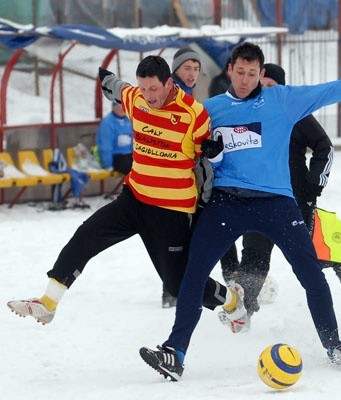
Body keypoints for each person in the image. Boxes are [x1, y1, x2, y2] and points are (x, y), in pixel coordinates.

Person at [139, 43, 341, 381]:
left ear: (261, 73)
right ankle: (175, 353)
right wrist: (206, 154)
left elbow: (325, 92)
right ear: (230, 69)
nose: (245, 80)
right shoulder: (209, 109)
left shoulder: (281, 101)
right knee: (193, 274)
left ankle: (335, 346)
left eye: (251, 73)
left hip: (276, 203)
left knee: (311, 275)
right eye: (239, 72)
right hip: (226, 203)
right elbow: (181, 141)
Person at [7, 55, 229, 329]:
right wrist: (104, 77)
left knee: (177, 283)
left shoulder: (193, 113)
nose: (148, 96)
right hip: (133, 199)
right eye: (143, 88)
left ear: (169, 83)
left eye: (154, 89)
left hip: (171, 211)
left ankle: (231, 302)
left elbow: (206, 164)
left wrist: (206, 203)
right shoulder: (136, 98)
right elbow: (117, 87)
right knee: (86, 235)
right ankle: (48, 303)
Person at [220, 63, 341, 321]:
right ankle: (245, 307)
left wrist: (313, 185)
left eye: (273, 87)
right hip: (257, 197)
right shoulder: (249, 112)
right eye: (264, 86)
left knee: (306, 255)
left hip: (293, 200)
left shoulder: (295, 113)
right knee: (254, 254)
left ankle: (336, 261)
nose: (266, 91)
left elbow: (325, 147)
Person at [161, 47, 203, 308]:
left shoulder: (186, 95)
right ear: (175, 69)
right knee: (173, 234)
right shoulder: (172, 94)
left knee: (180, 234)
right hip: (170, 176)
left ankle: (175, 288)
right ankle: (171, 291)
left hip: (181, 173)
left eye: (196, 69)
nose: (192, 73)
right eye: (187, 68)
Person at [95, 101, 134, 175]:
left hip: (130, 154)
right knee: (134, 171)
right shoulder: (108, 123)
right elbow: (105, 146)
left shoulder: (128, 120)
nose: (121, 109)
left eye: (124, 107)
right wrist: (108, 165)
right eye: (119, 107)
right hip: (116, 156)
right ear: (113, 108)